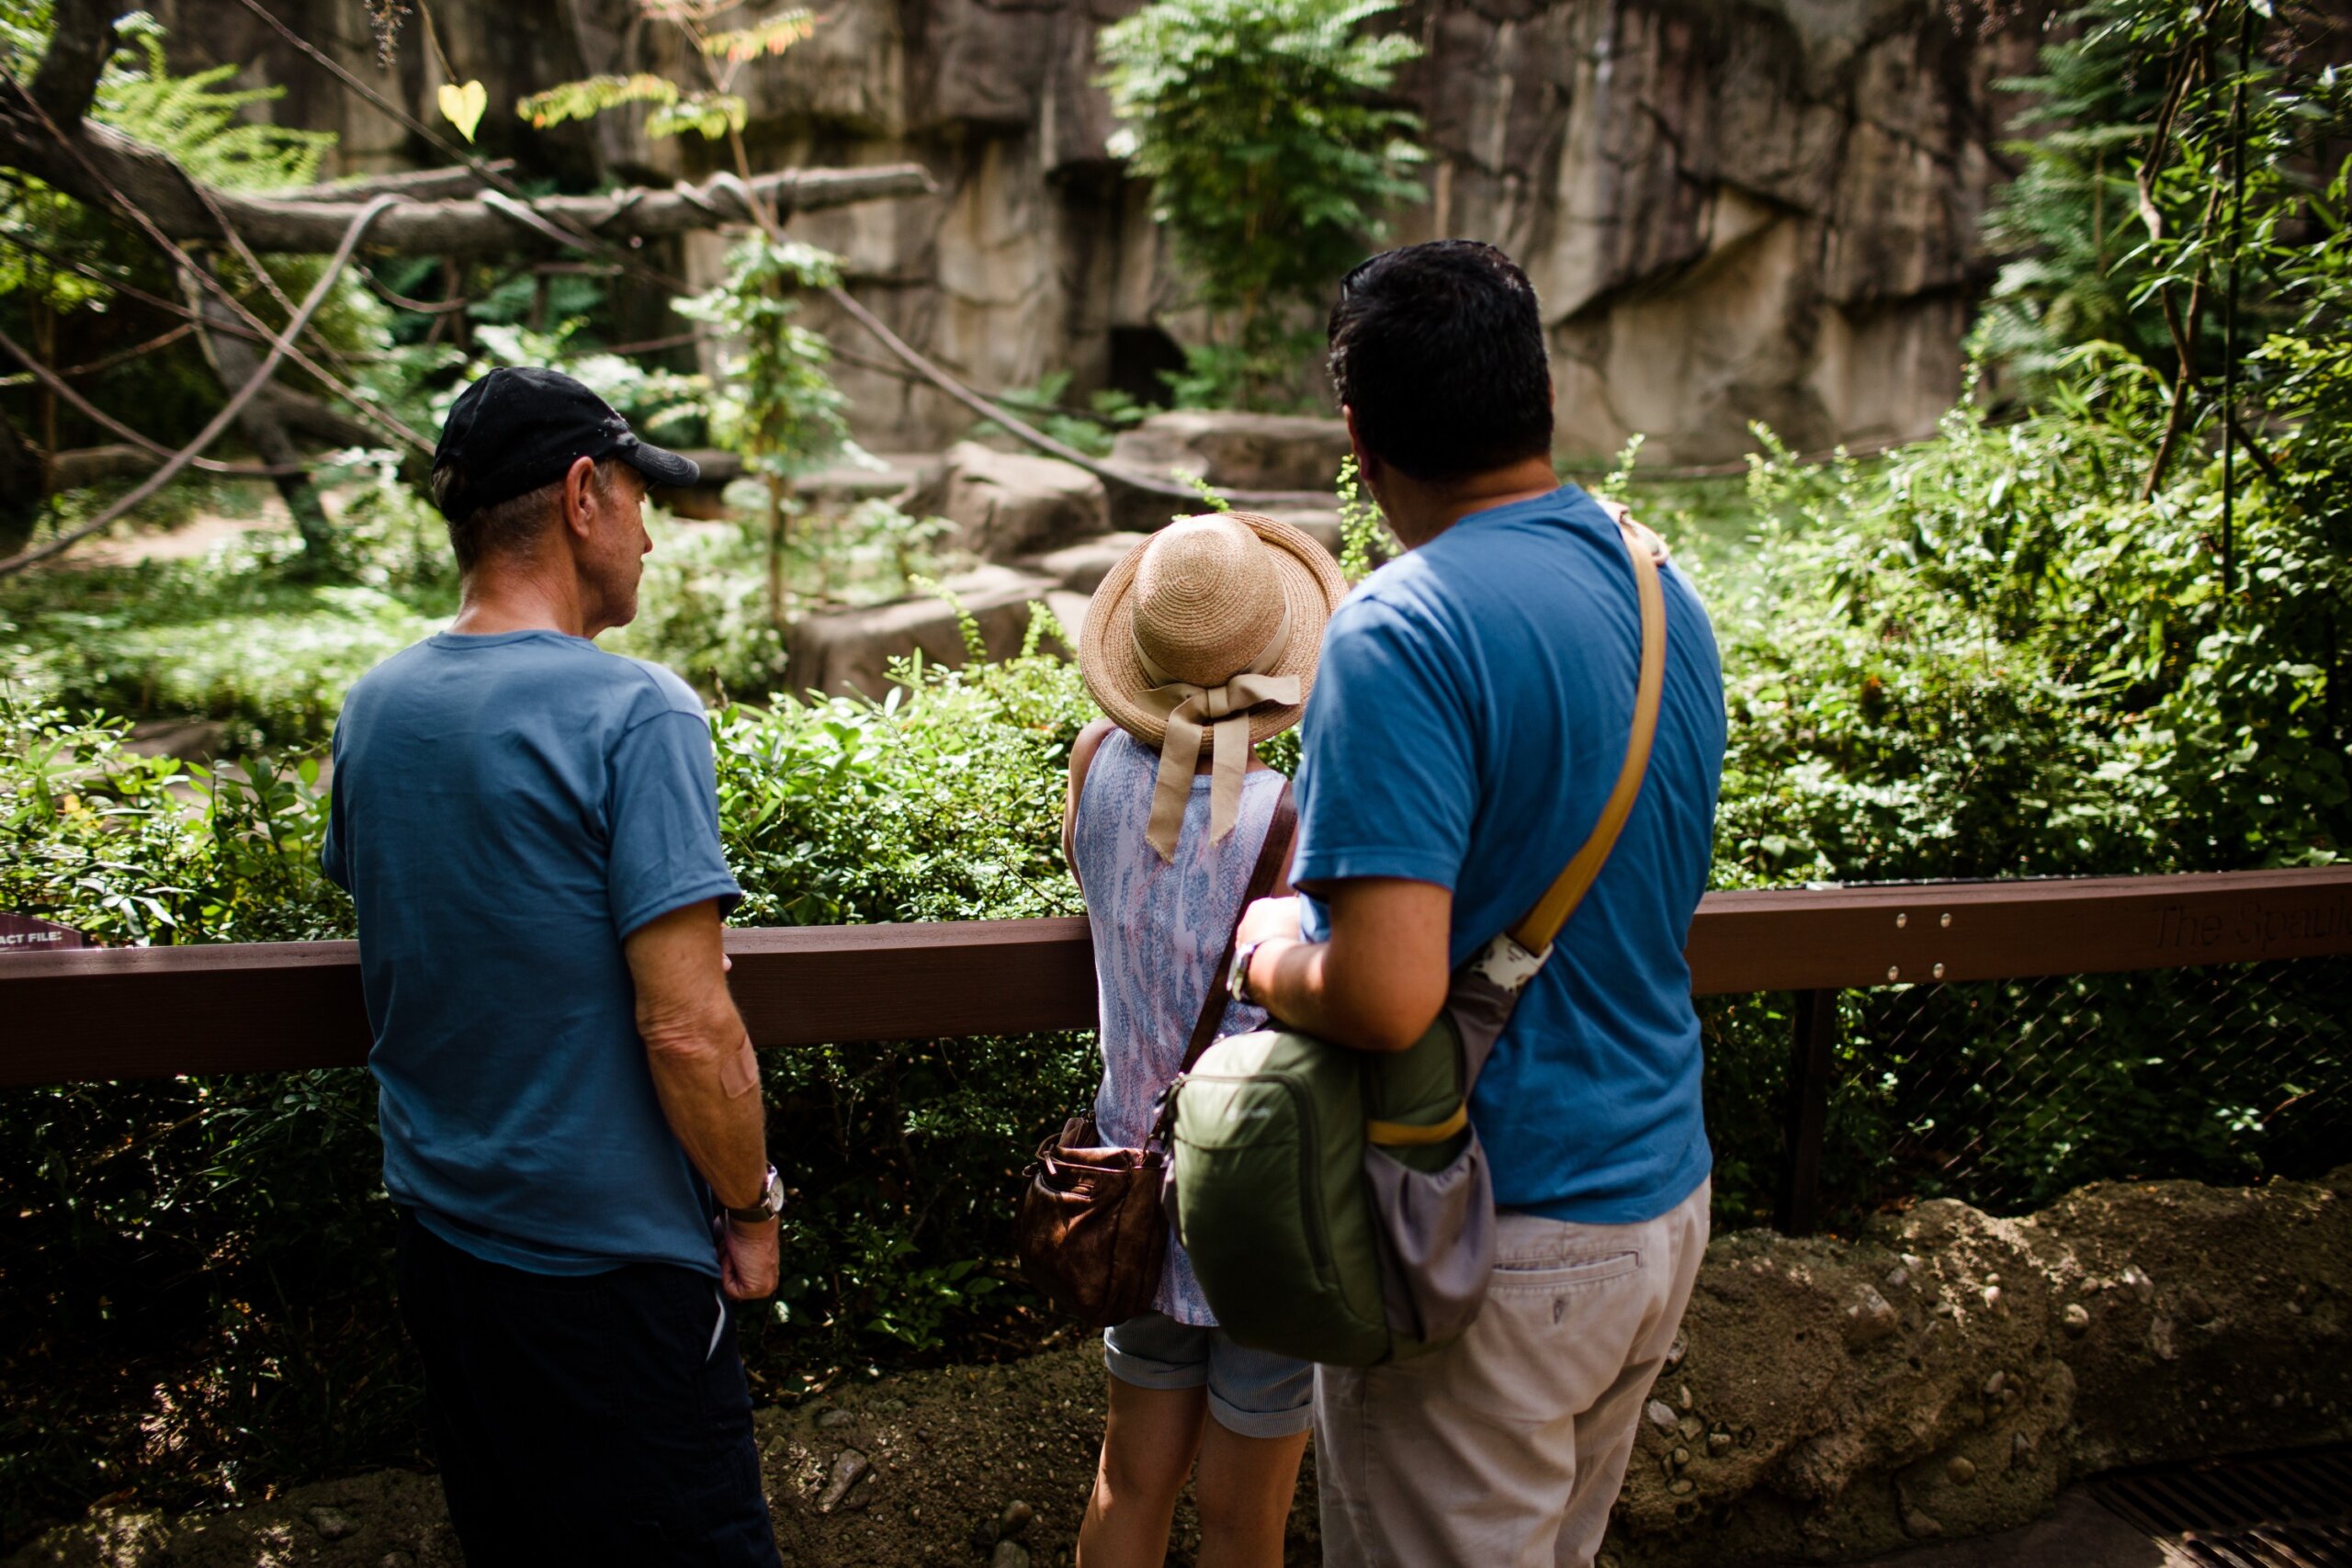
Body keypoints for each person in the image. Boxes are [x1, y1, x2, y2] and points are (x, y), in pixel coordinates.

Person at [1228, 241, 1727, 1568]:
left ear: (1358, 433)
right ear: (1540, 390)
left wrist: (1270, 951)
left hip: (1489, 1237)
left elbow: (1388, 991)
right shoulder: (1661, 589)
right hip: (1657, 1200)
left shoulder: (1403, 630)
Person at [322, 367, 785, 1566]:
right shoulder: (638, 712)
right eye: (641, 498)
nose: (651, 536)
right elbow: (688, 1026)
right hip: (612, 1279)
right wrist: (753, 1205)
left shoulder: (376, 705)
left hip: (447, 1250)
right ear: (585, 494)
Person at [1067, 512, 1348, 1567]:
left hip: (1129, 1184)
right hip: (1257, 1205)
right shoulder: (1294, 815)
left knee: (1128, 1478)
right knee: (1243, 1518)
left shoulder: (1091, 766)